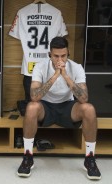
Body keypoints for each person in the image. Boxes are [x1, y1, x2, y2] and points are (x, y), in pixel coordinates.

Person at [17, 37, 101, 180]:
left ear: (68, 53)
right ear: (50, 54)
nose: (60, 59)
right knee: (31, 107)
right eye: (56, 56)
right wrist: (55, 75)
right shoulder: (40, 67)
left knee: (89, 109)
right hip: (46, 107)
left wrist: (66, 76)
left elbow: (83, 98)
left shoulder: (76, 67)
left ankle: (90, 158)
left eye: (63, 55)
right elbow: (34, 97)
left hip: (67, 107)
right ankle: (28, 156)